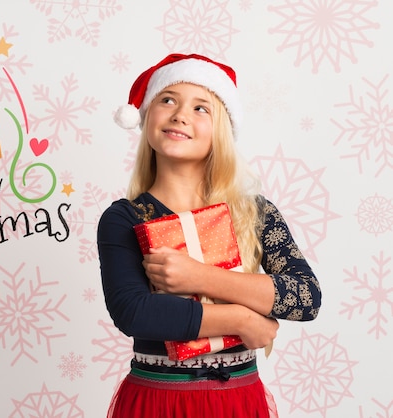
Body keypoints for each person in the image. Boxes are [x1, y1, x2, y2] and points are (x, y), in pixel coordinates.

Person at [97, 53, 322, 418]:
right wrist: (243, 319)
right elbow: (135, 313)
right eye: (167, 99)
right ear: (146, 116)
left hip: (239, 401)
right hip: (158, 401)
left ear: (222, 129)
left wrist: (199, 277)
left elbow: (305, 297)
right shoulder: (124, 218)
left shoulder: (254, 213)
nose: (180, 114)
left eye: (201, 107)